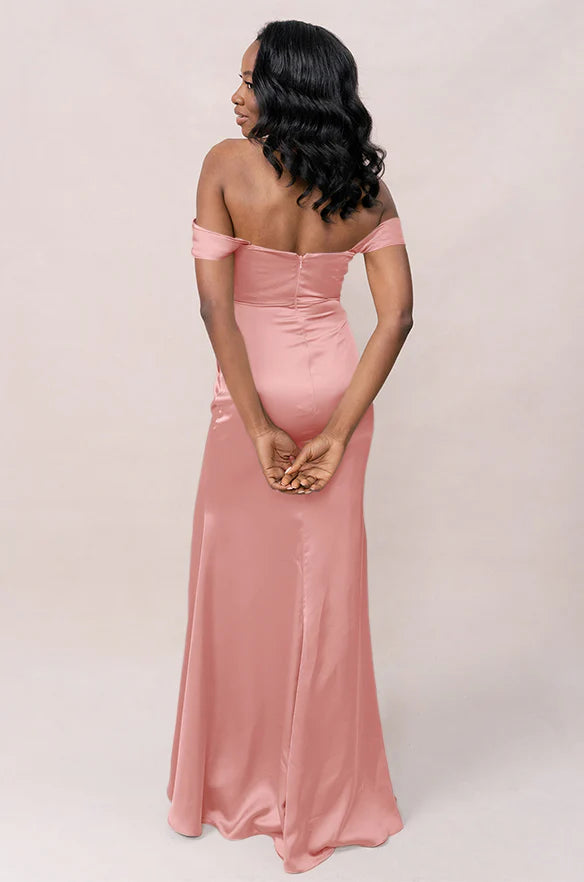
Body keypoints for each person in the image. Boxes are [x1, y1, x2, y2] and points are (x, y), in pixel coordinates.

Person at [166, 19, 414, 874]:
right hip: (337, 381)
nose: (236, 95)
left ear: (289, 88)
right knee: (328, 595)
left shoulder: (225, 167)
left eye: (250, 80)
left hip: (255, 390)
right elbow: (397, 316)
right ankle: (322, 793)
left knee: (234, 584)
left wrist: (258, 423)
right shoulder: (365, 188)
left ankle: (233, 782)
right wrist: (339, 430)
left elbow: (216, 307)